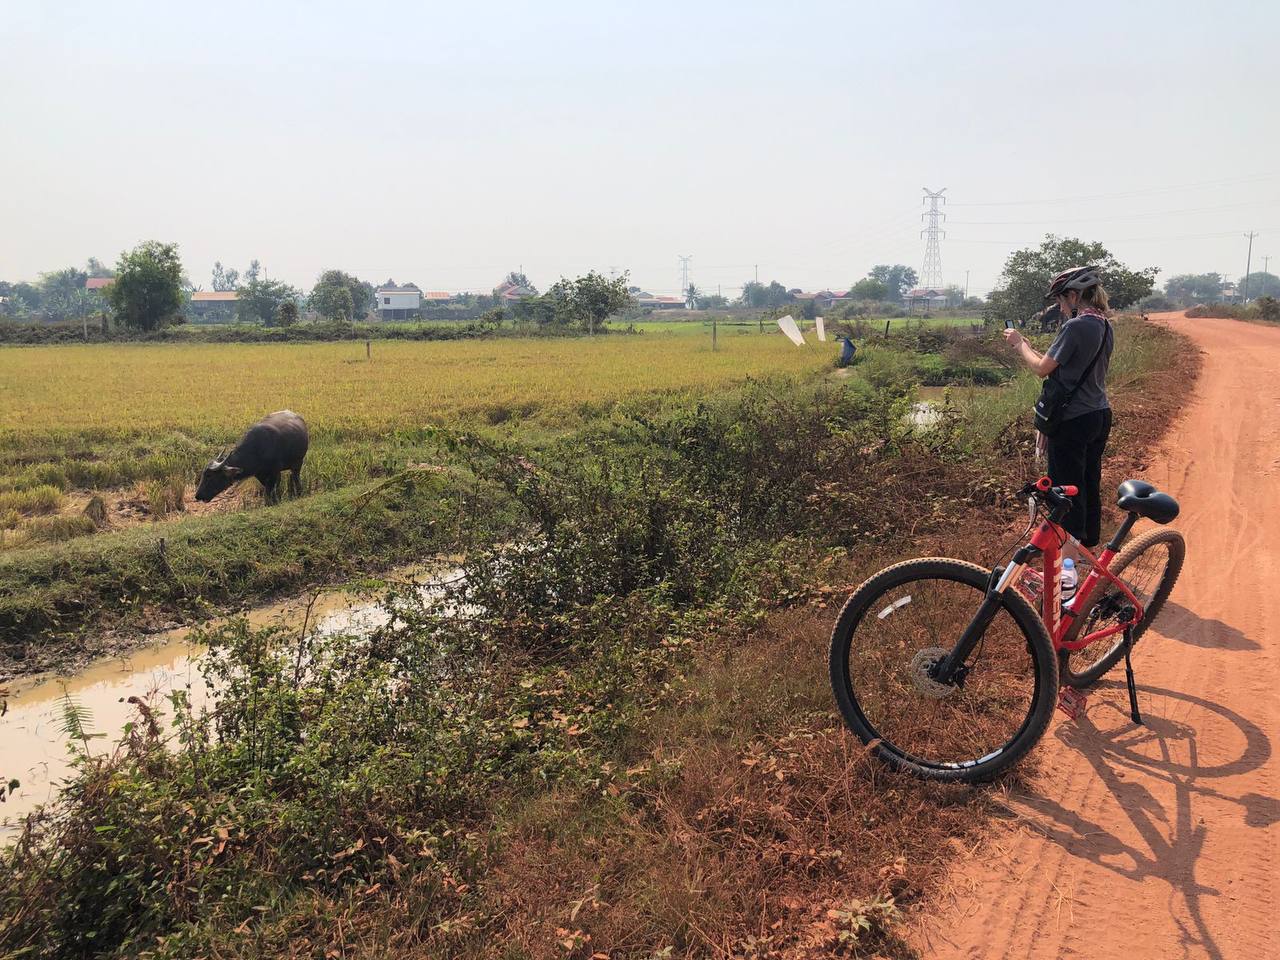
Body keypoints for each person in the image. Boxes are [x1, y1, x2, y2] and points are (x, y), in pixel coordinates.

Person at [1002, 266, 1113, 559]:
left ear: (1074, 296)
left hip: (1073, 420)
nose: (1060, 307)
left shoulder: (1075, 327)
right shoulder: (1104, 325)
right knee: (1089, 482)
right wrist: (1029, 346)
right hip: (1098, 415)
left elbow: (1041, 370)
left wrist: (1019, 345)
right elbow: (1061, 367)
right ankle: (1086, 554)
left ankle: (1067, 566)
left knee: (1065, 490)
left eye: (1061, 300)